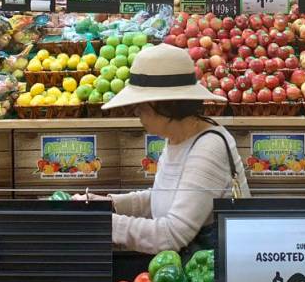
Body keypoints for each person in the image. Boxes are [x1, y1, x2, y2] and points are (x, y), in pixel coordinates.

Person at [77, 43, 249, 256]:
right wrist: (111, 204)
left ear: (166, 105)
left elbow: (170, 236)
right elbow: (163, 198)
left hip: (210, 277)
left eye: (141, 106)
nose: (136, 113)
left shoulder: (208, 147)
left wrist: (102, 222)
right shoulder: (177, 136)